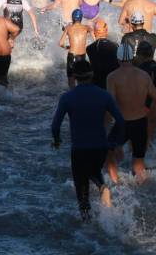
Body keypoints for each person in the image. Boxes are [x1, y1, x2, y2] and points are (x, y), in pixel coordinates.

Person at [51, 59, 125, 221]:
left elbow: (55, 126)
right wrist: (112, 142)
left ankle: (87, 228)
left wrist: (56, 141)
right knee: (94, 171)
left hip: (79, 148)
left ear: (75, 76)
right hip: (100, 147)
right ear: (92, 74)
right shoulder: (104, 95)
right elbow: (120, 121)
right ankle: (102, 187)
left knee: (82, 190)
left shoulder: (67, 97)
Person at [106, 44, 156, 184]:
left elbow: (110, 103)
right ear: (132, 57)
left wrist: (106, 122)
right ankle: (143, 192)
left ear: (118, 58)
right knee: (138, 163)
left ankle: (116, 185)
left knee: (108, 153)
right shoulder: (144, 75)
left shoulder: (112, 77)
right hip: (141, 123)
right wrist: (150, 116)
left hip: (122, 124)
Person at [59, 9, 92, 88]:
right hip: (82, 56)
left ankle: (73, 96)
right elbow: (93, 34)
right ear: (81, 18)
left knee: (71, 80)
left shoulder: (68, 28)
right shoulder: (86, 27)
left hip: (72, 55)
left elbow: (60, 43)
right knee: (83, 79)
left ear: (73, 18)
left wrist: (67, 47)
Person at [85, 20, 119, 89]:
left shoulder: (89, 48)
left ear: (94, 32)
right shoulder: (116, 46)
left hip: (97, 84)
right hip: (113, 83)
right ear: (106, 31)